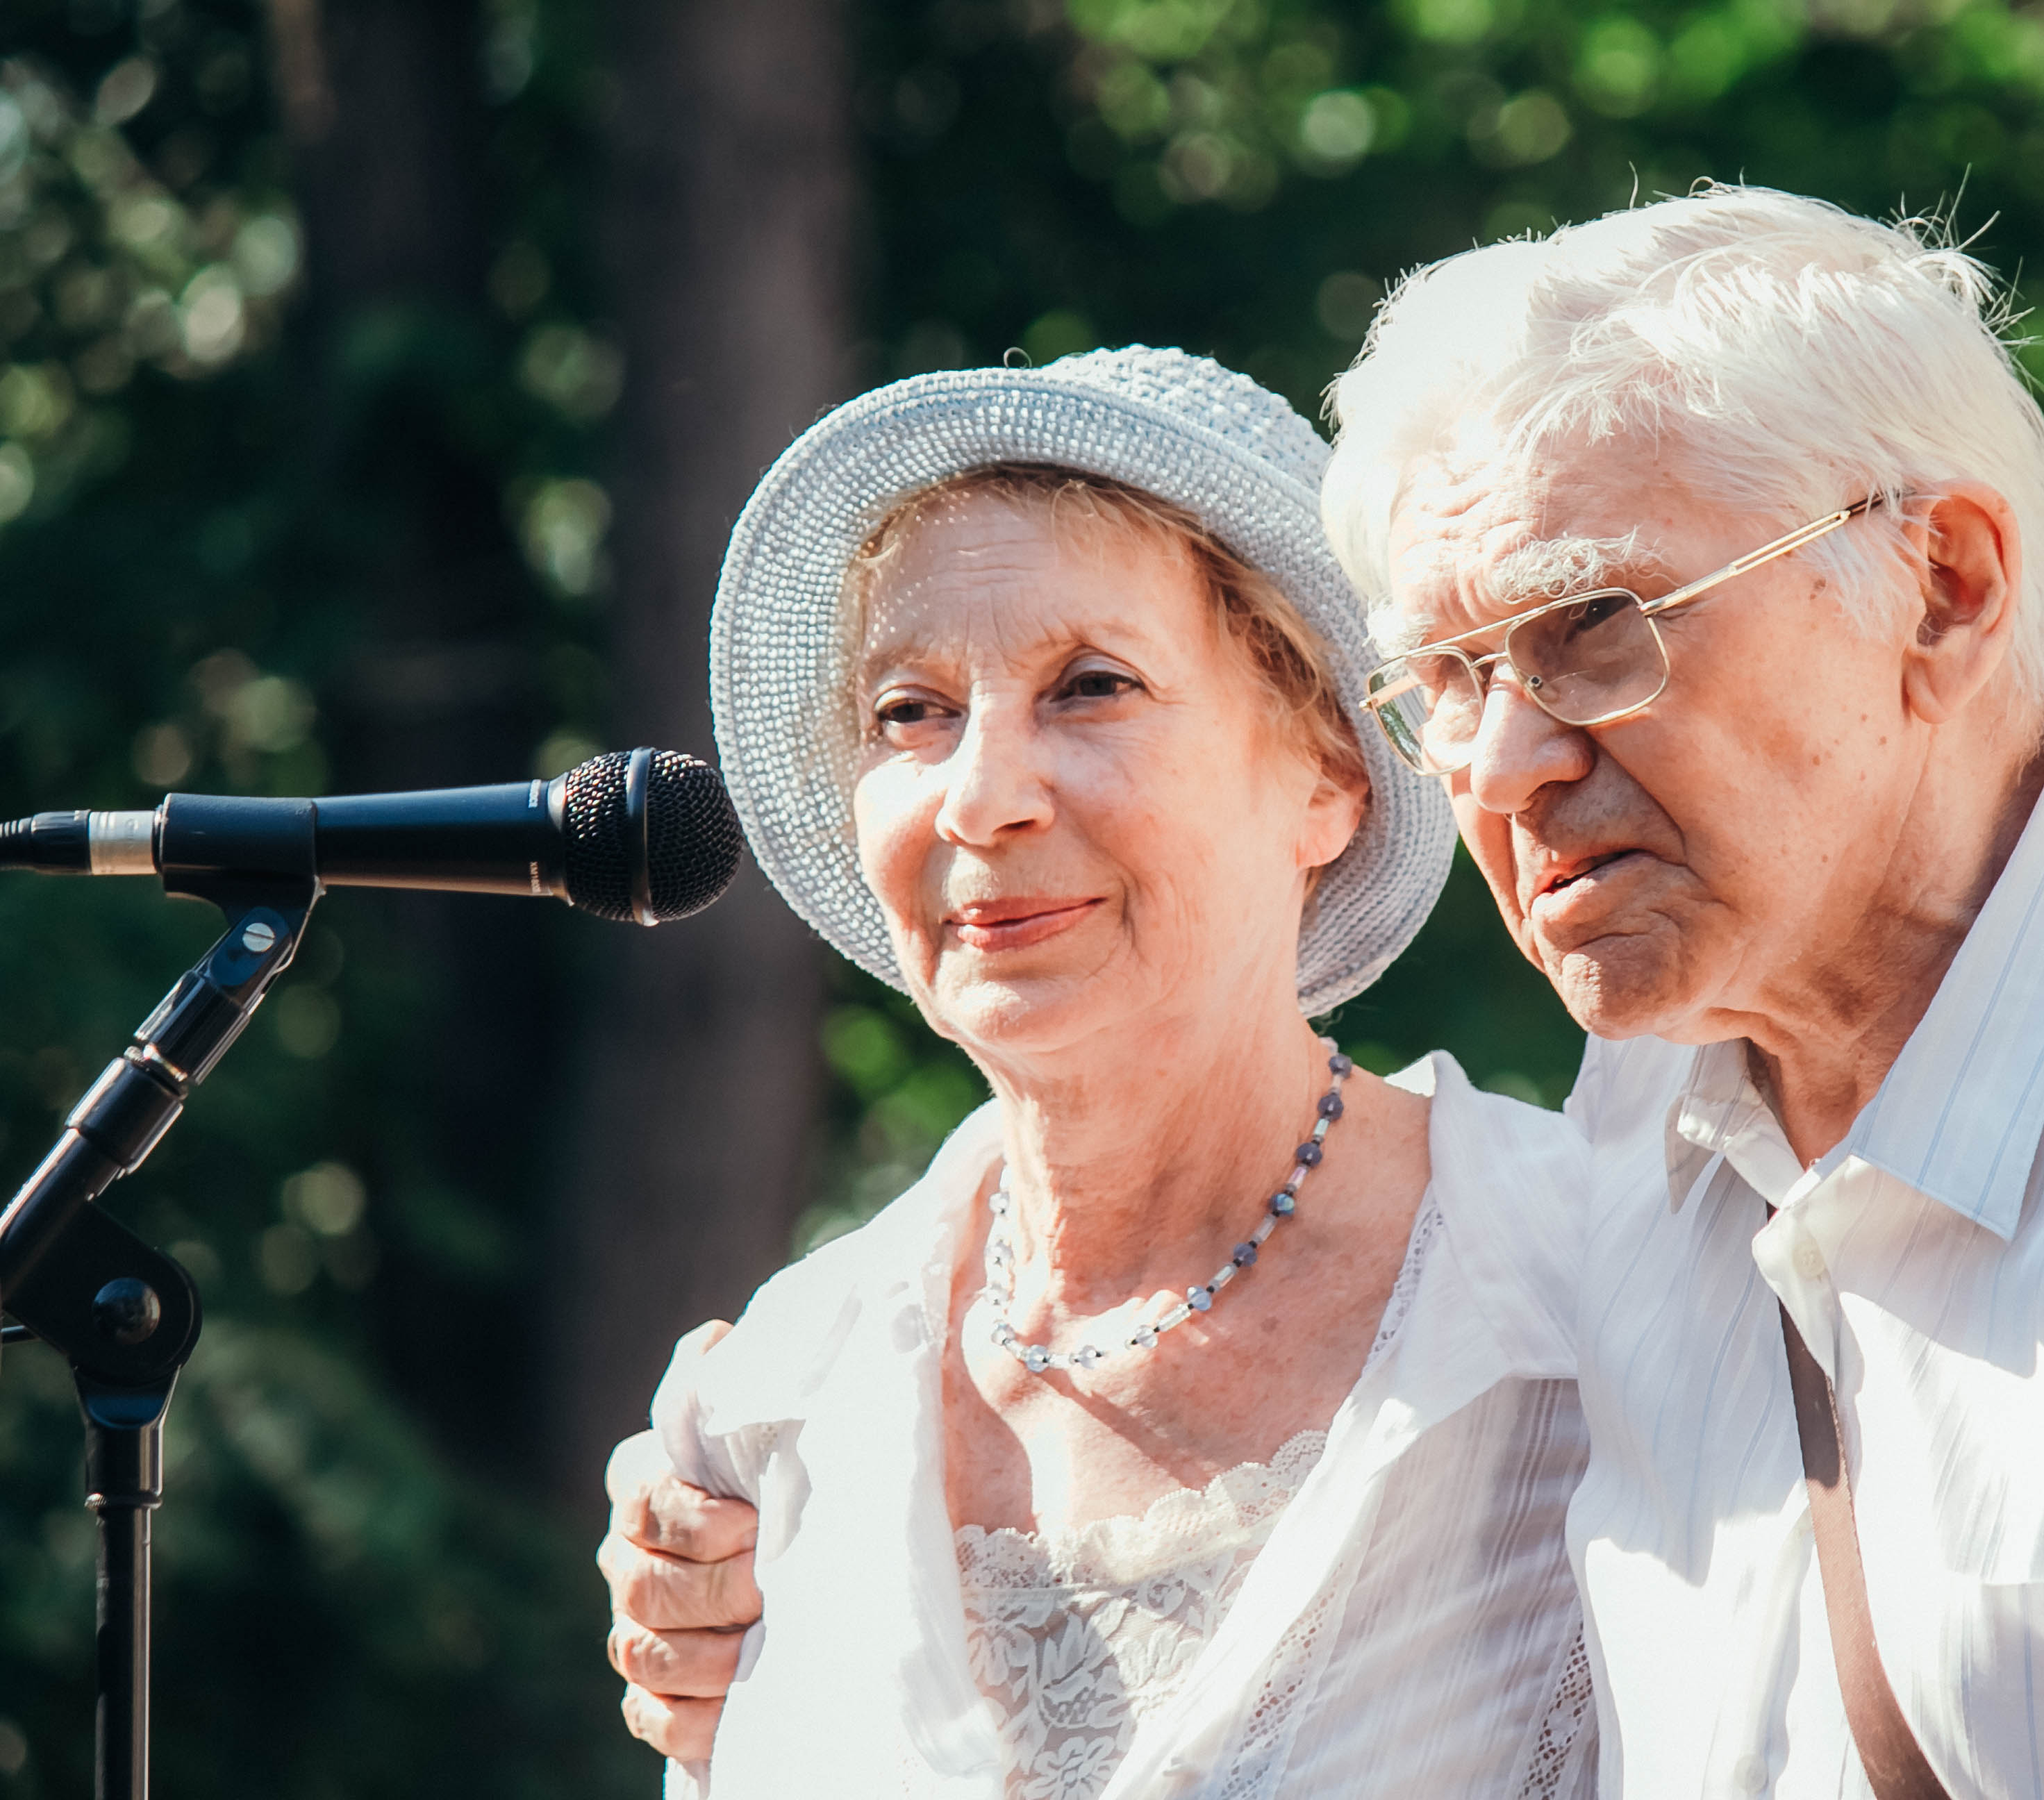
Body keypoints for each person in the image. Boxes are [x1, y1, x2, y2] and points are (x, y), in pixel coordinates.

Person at [610, 188, 2044, 1798]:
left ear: (1945, 589)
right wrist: (710, 1530)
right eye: (1446, 682)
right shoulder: (1659, 1145)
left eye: (1598, 631)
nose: (1505, 760)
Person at [602, 347, 1596, 1797]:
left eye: (1090, 687)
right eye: (911, 710)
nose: (983, 795)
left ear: (1327, 774)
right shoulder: (773, 1398)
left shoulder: (1594, 1286)